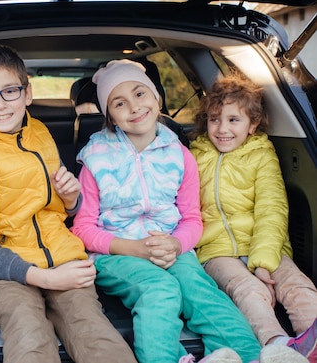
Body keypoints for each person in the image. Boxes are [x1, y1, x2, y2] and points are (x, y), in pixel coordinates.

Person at [72, 59, 308, 363]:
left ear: (157, 98)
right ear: (111, 117)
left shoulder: (181, 155)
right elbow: (83, 228)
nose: (134, 107)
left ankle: (250, 357)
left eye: (140, 94)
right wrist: (134, 249)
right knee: (161, 289)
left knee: (206, 296)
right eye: (119, 103)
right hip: (116, 254)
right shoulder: (96, 159)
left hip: (172, 248)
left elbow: (192, 219)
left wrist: (176, 244)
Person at [0, 44, 137, 363]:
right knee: (29, 336)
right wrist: (47, 279)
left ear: (28, 93)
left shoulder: (40, 132)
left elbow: (61, 211)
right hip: (5, 272)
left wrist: (71, 199)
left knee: (95, 332)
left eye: (10, 91)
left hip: (63, 255)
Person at [190, 75, 317, 361]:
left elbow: (271, 210)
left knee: (296, 285)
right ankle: (279, 346)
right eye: (214, 119)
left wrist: (262, 262)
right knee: (247, 290)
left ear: (253, 124)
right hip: (216, 251)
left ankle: (313, 340)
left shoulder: (261, 154)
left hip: (267, 245)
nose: (222, 129)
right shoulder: (194, 155)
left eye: (234, 120)